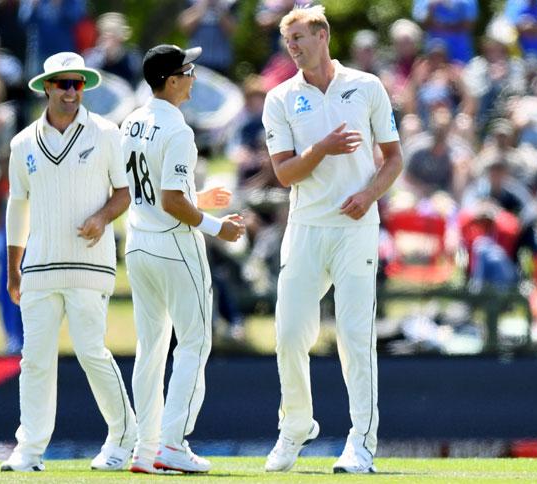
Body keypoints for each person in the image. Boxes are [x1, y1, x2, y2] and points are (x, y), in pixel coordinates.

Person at [261, 6, 403, 474]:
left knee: (355, 338)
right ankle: (295, 426)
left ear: (323, 35)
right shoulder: (280, 97)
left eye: (300, 38)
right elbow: (284, 173)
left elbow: (394, 159)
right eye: (288, 42)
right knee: (288, 336)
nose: (294, 48)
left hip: (356, 228)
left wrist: (368, 195)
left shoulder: (366, 86)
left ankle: (361, 444)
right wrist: (321, 149)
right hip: (305, 228)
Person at [0, 51, 136, 472]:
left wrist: (100, 218)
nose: (72, 91)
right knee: (34, 359)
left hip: (90, 263)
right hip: (39, 265)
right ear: (46, 87)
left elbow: (124, 192)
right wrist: (13, 269)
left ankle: (124, 437)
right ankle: (30, 449)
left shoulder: (107, 133)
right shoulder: (22, 143)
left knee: (91, 350)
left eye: (77, 84)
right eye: (63, 84)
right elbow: (17, 206)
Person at [120, 44, 245, 474]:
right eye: (188, 70)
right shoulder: (179, 130)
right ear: (171, 81)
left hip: (138, 244)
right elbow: (172, 201)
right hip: (174, 244)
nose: (195, 76)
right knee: (194, 342)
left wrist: (201, 200)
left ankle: (144, 447)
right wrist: (217, 227)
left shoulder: (132, 120)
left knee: (151, 347)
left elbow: (147, 190)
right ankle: (172, 445)